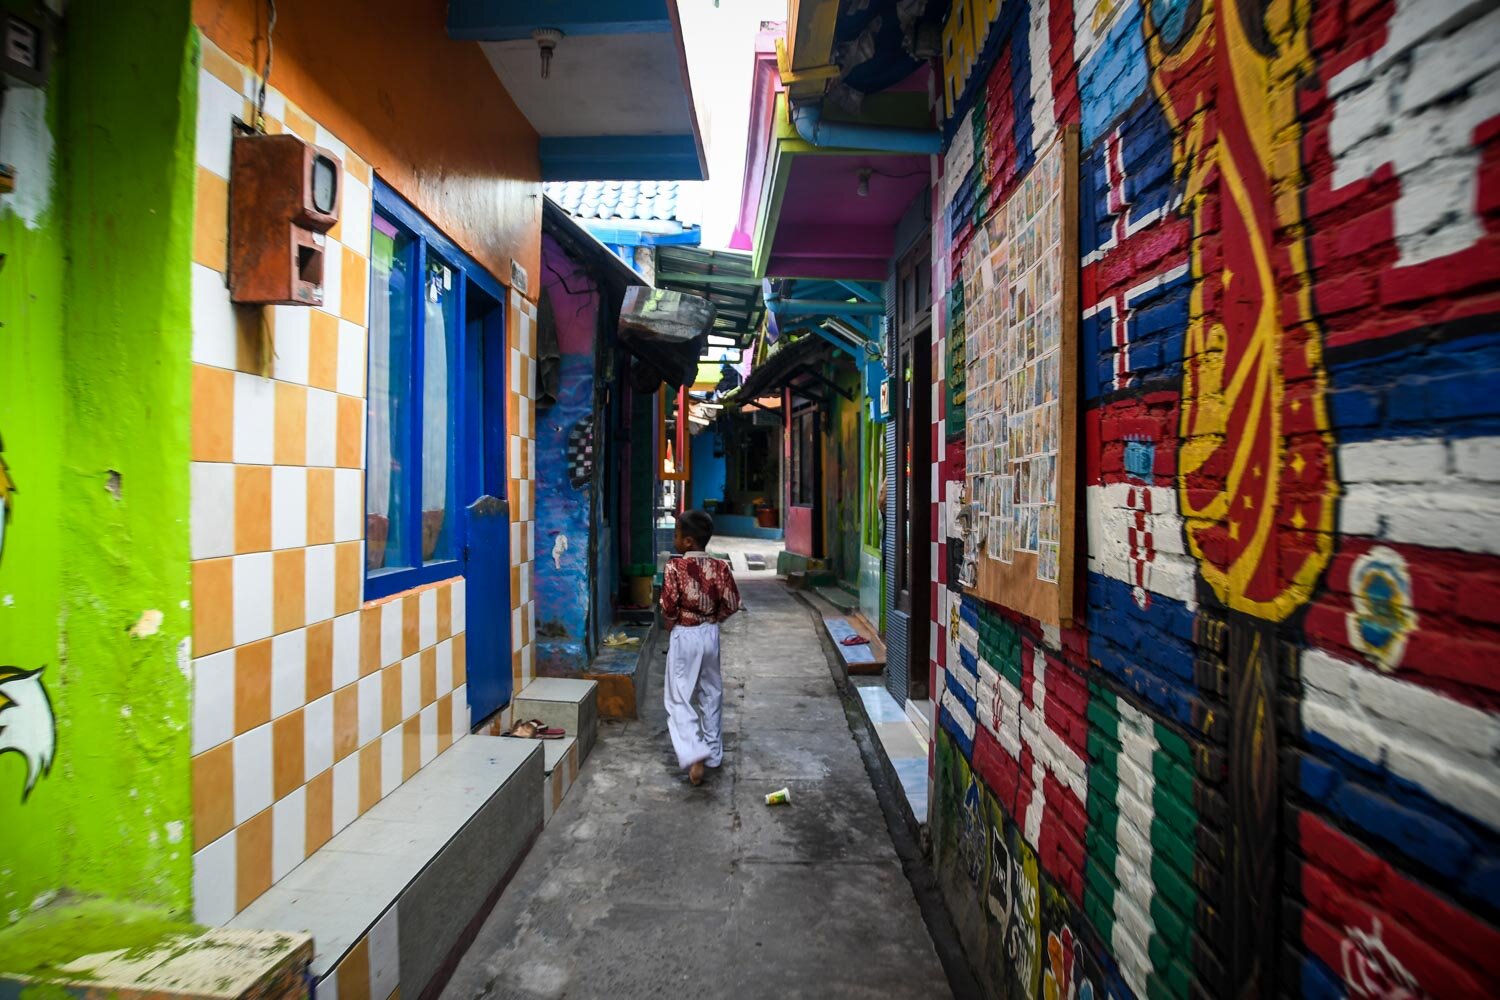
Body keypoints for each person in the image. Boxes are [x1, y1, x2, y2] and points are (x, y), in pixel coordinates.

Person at [660, 509, 741, 786]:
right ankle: (714, 753)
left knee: (678, 697)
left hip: (685, 633)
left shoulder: (674, 567)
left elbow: (668, 605)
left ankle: (694, 754)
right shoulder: (720, 567)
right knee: (711, 692)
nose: (674, 539)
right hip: (710, 634)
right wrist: (713, 620)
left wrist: (672, 623)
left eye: (677, 535)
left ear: (688, 542)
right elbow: (732, 602)